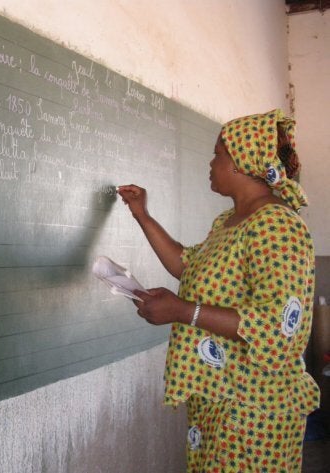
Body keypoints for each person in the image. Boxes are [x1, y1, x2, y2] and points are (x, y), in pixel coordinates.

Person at [117, 109, 319, 473]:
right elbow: (187, 265)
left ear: (243, 162)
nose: (211, 163)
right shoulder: (230, 222)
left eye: (218, 155)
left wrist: (182, 311)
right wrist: (142, 215)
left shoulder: (277, 225)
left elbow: (278, 327)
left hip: (255, 411)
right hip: (219, 398)